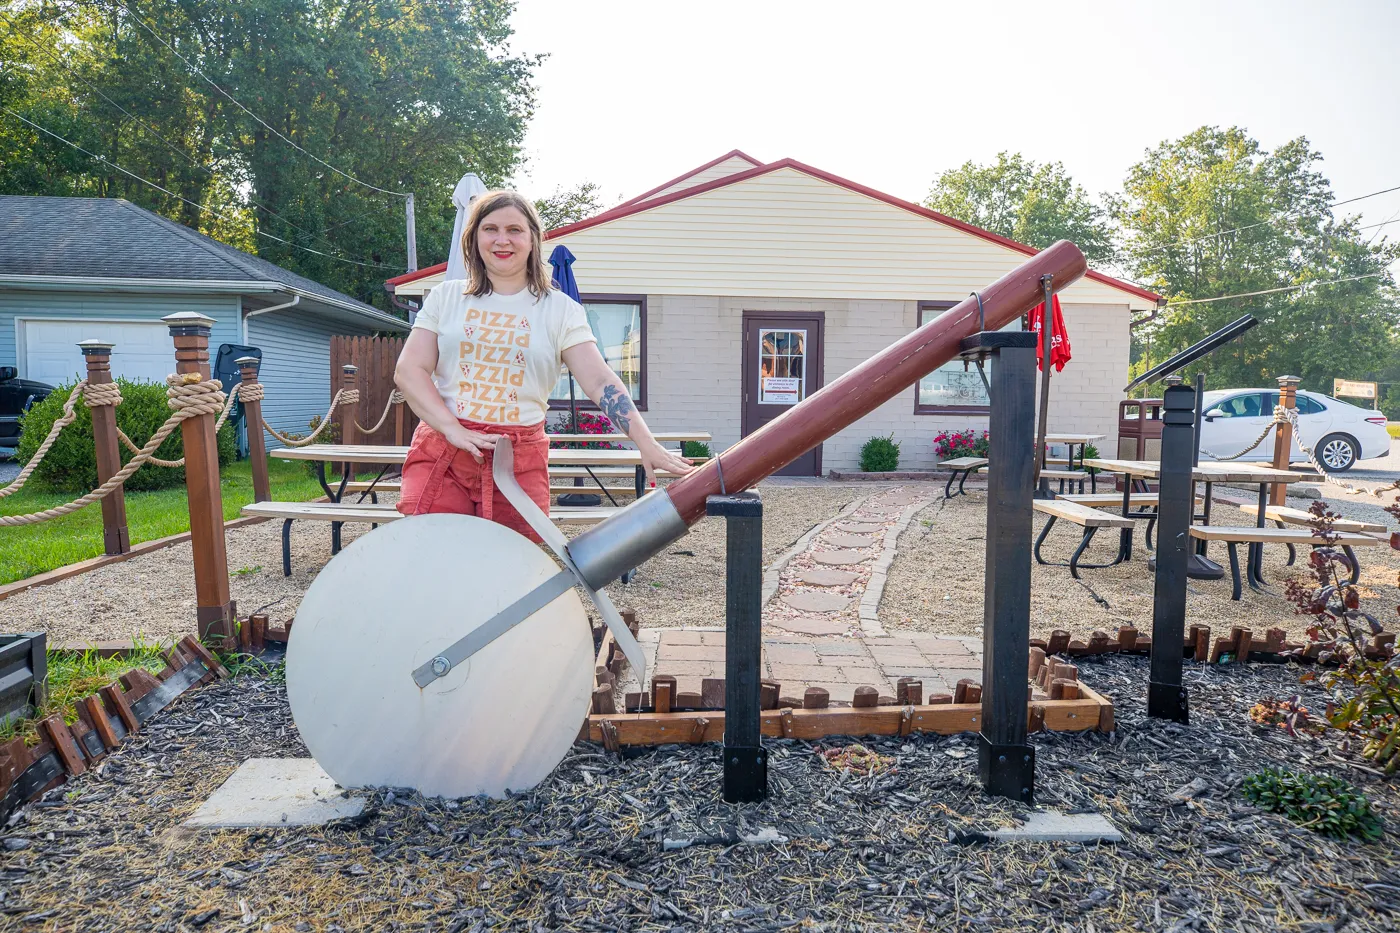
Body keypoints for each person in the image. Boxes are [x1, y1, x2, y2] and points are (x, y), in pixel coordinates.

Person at [394, 190, 692, 540]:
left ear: (533, 239)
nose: (502, 240)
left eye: (514, 230)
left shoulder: (560, 309)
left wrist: (646, 442)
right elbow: (409, 370)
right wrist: (451, 428)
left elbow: (599, 381)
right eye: (490, 229)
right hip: (445, 451)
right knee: (432, 558)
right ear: (473, 239)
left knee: (513, 569)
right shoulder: (446, 297)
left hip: (517, 458)